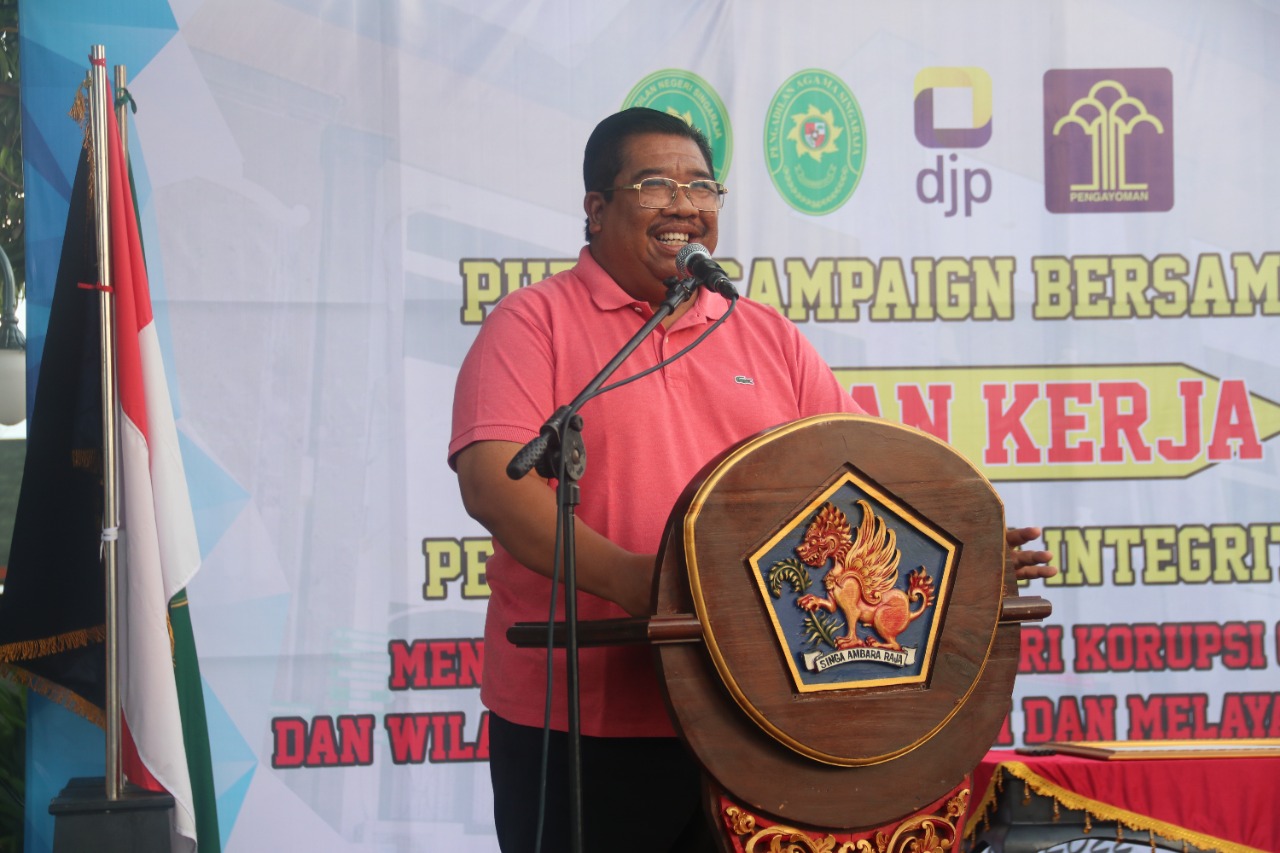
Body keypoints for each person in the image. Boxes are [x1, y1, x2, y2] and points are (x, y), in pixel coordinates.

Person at [449, 107, 1055, 853]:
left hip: (757, 712)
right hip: (587, 719)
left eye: (702, 187)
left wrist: (965, 562)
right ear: (596, 208)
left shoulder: (765, 336)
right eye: (655, 185)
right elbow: (495, 484)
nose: (684, 205)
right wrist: (639, 580)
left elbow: (864, 484)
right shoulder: (534, 322)